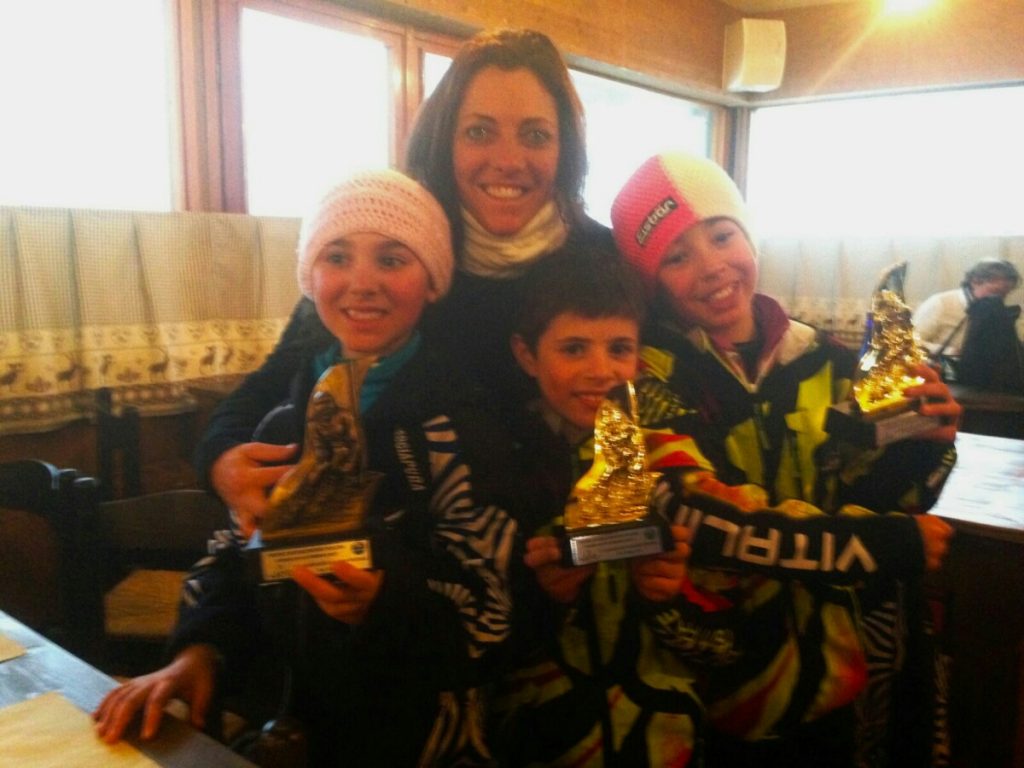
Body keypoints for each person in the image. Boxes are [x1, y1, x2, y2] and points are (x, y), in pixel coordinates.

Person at [93, 170, 518, 767]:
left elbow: (492, 608)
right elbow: (236, 555)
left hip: (422, 733)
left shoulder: (463, 430)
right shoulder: (281, 425)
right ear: (310, 279)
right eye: (336, 257)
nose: (362, 282)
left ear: (432, 281)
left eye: (392, 259)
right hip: (287, 721)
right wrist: (199, 651)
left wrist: (384, 603)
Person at [490, 246, 953, 767]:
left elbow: (714, 637)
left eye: (618, 349)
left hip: (691, 729)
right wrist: (547, 596)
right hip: (546, 736)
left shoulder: (660, 442)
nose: (600, 370)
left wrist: (663, 599)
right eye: (574, 349)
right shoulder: (502, 461)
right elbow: (484, 633)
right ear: (527, 355)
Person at [610, 152, 961, 768]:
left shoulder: (830, 359)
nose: (711, 266)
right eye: (676, 256)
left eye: (723, 236)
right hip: (715, 688)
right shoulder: (644, 376)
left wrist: (924, 440)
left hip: (842, 677)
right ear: (652, 281)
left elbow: (885, 499)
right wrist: (873, 545)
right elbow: (699, 518)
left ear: (748, 236)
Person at [195, 27, 614, 540]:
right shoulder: (394, 250)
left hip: (559, 537)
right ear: (444, 142)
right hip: (402, 549)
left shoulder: (600, 263)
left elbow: (651, 400)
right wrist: (220, 461)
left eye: (535, 135)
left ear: (565, 148)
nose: (508, 161)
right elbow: (265, 388)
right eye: (479, 132)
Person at [912, 258, 1021, 359]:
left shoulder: (996, 311)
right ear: (975, 281)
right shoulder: (940, 303)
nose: (999, 299)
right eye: (996, 291)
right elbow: (912, 342)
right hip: (942, 369)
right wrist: (951, 351)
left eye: (1005, 294)